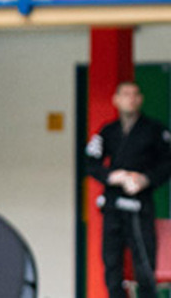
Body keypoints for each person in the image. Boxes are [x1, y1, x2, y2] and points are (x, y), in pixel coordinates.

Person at [86, 81, 171, 298]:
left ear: (140, 99)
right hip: (113, 205)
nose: (130, 98)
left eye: (134, 94)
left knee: (144, 264)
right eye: (125, 94)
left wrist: (145, 179)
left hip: (140, 205)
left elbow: (167, 162)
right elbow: (90, 161)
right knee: (111, 264)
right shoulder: (107, 131)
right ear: (116, 99)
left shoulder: (155, 130)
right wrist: (112, 176)